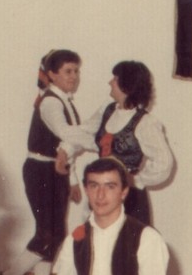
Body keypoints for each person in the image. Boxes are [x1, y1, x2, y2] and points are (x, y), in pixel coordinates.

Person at [0, 49, 87, 275]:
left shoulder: (66, 101)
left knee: (54, 232)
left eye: (76, 71)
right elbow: (67, 134)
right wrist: (95, 139)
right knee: (48, 234)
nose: (74, 76)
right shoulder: (50, 103)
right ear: (52, 74)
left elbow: (66, 145)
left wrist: (72, 179)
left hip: (55, 171)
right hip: (40, 170)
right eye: (68, 71)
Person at [65, 60, 176, 227]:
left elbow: (164, 162)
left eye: (115, 79)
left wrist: (136, 179)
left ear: (127, 86)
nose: (110, 82)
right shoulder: (108, 110)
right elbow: (84, 131)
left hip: (129, 200)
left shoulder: (145, 123)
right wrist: (64, 149)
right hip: (102, 193)